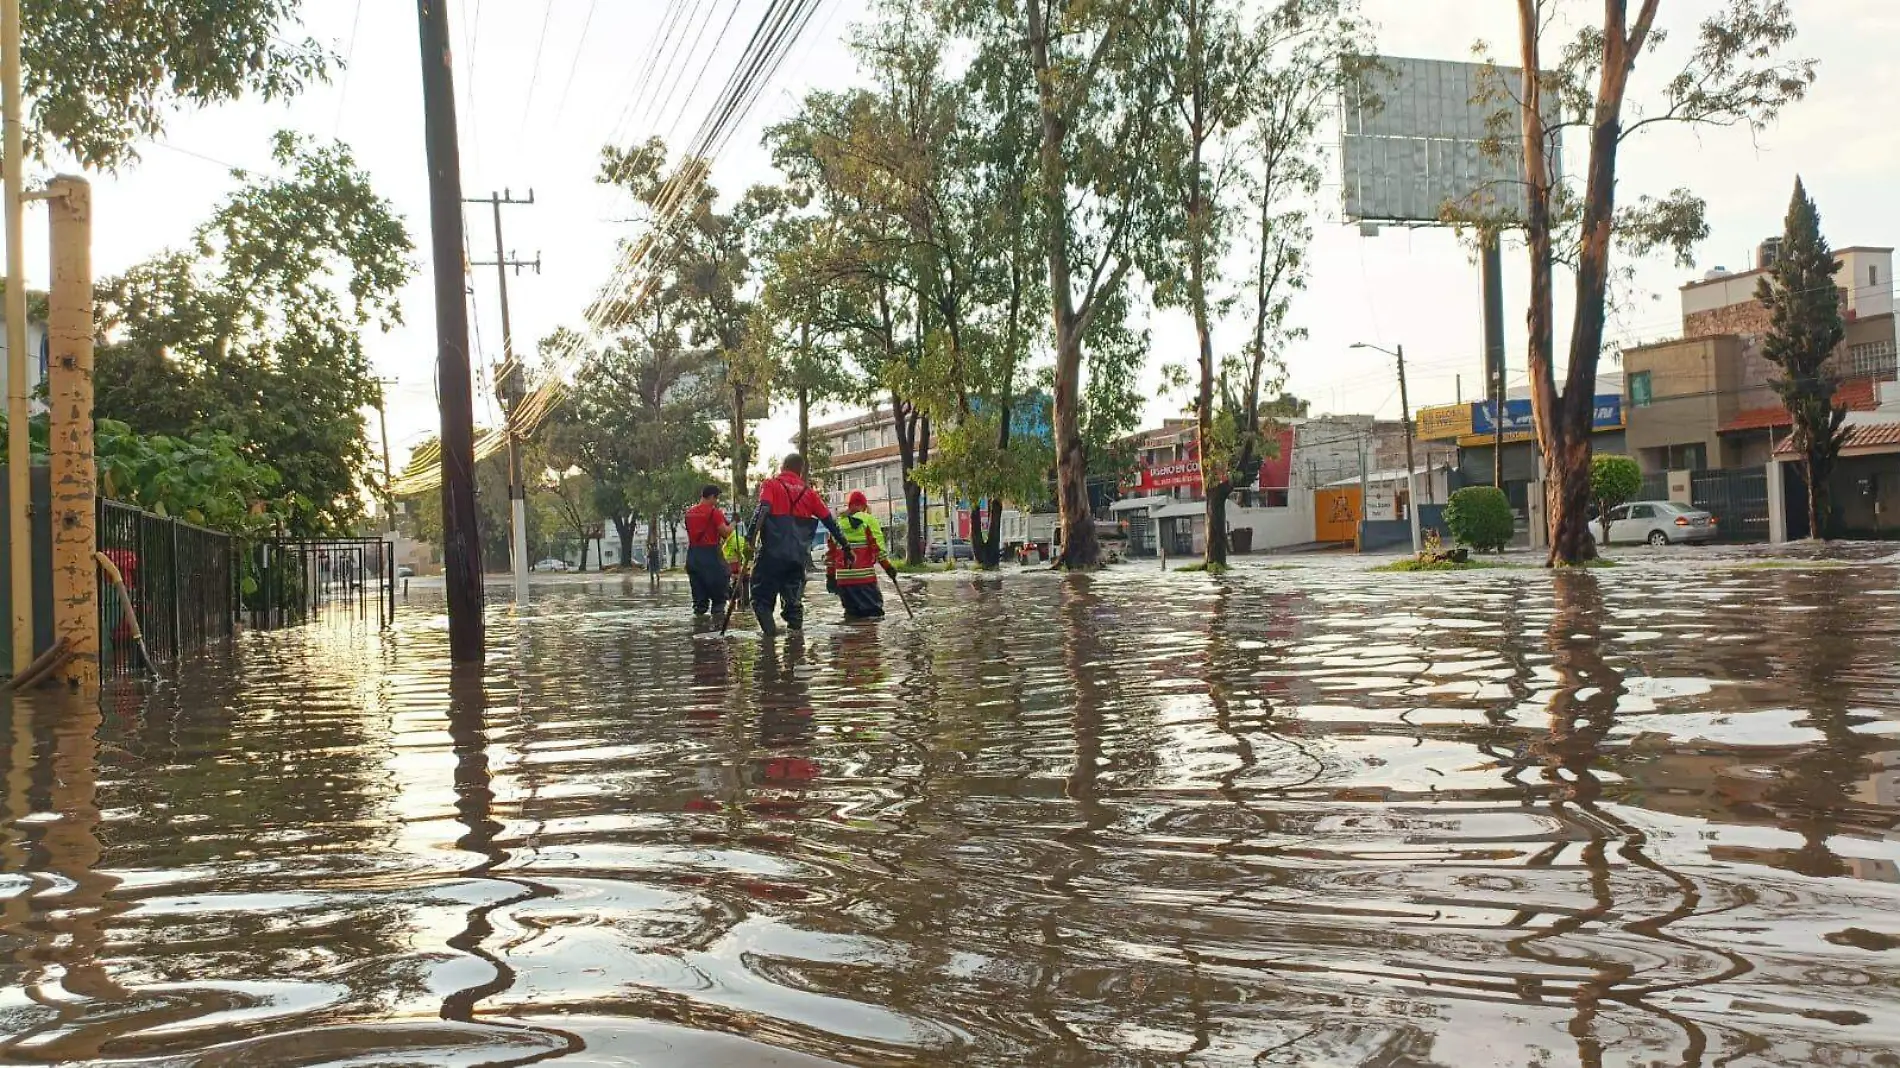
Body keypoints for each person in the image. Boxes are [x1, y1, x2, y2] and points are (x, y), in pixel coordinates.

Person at [747, 452, 847, 637]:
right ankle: (795, 646)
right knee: (793, 605)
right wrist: (846, 547)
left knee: (761, 599)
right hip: (797, 558)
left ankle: (769, 643)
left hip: (771, 555)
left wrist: (750, 539)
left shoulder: (771, 485)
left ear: (782, 467)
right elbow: (830, 522)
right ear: (800, 471)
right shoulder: (809, 493)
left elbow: (763, 509)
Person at [825, 491, 897, 619]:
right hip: (865, 580)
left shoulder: (838, 524)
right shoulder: (869, 520)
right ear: (864, 506)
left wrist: (830, 577)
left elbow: (831, 554)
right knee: (874, 617)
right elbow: (878, 549)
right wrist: (888, 568)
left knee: (852, 617)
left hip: (844, 582)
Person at [683, 484, 734, 618]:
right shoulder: (714, 513)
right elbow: (725, 533)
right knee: (719, 600)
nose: (716, 502)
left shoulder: (689, 514)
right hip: (711, 557)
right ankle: (717, 633)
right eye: (716, 498)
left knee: (699, 602)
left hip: (693, 557)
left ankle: (699, 631)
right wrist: (734, 523)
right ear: (712, 496)